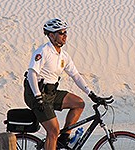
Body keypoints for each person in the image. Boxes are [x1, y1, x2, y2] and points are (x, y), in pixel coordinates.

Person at [24, 18, 106, 150]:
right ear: (51, 35)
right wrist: (38, 96)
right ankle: (55, 138)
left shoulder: (64, 56)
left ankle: (63, 140)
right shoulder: (43, 51)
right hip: (36, 93)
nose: (65, 36)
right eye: (61, 33)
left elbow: (76, 76)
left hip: (51, 92)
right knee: (53, 131)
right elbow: (31, 74)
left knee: (79, 103)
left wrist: (91, 94)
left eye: (65, 32)